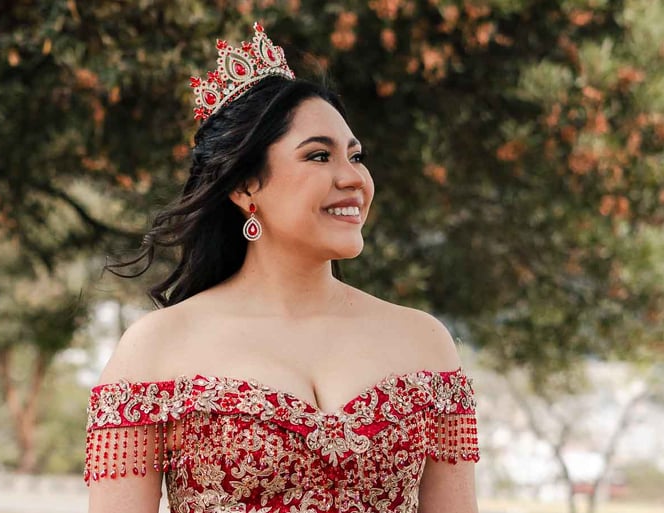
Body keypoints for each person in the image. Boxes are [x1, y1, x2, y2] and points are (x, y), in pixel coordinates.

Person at [85, 21, 479, 513]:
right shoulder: (156, 349)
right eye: (319, 156)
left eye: (356, 156)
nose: (353, 178)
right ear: (244, 186)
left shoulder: (424, 343)